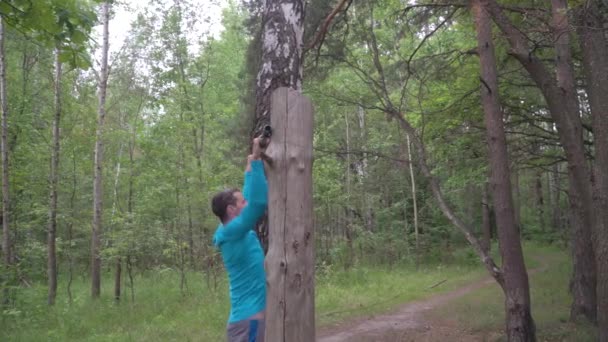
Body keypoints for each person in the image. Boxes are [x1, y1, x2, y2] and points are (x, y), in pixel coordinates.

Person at [211, 137, 268, 342]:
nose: (246, 203)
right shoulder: (232, 232)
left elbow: (248, 199)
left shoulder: (231, 230)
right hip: (248, 322)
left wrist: (251, 162)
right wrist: (257, 162)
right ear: (231, 210)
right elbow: (257, 204)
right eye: (241, 202)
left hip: (247, 321)